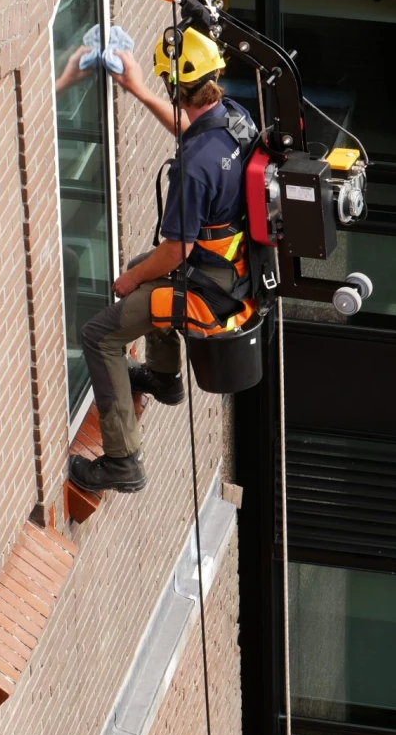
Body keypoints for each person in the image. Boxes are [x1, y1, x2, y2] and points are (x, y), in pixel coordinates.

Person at [69, 27, 256, 494]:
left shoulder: (194, 170)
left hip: (208, 292)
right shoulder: (235, 119)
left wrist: (129, 280)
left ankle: (121, 462)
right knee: (148, 273)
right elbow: (191, 130)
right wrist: (138, 91)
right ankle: (163, 378)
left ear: (178, 88)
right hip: (234, 275)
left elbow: (176, 251)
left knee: (100, 336)